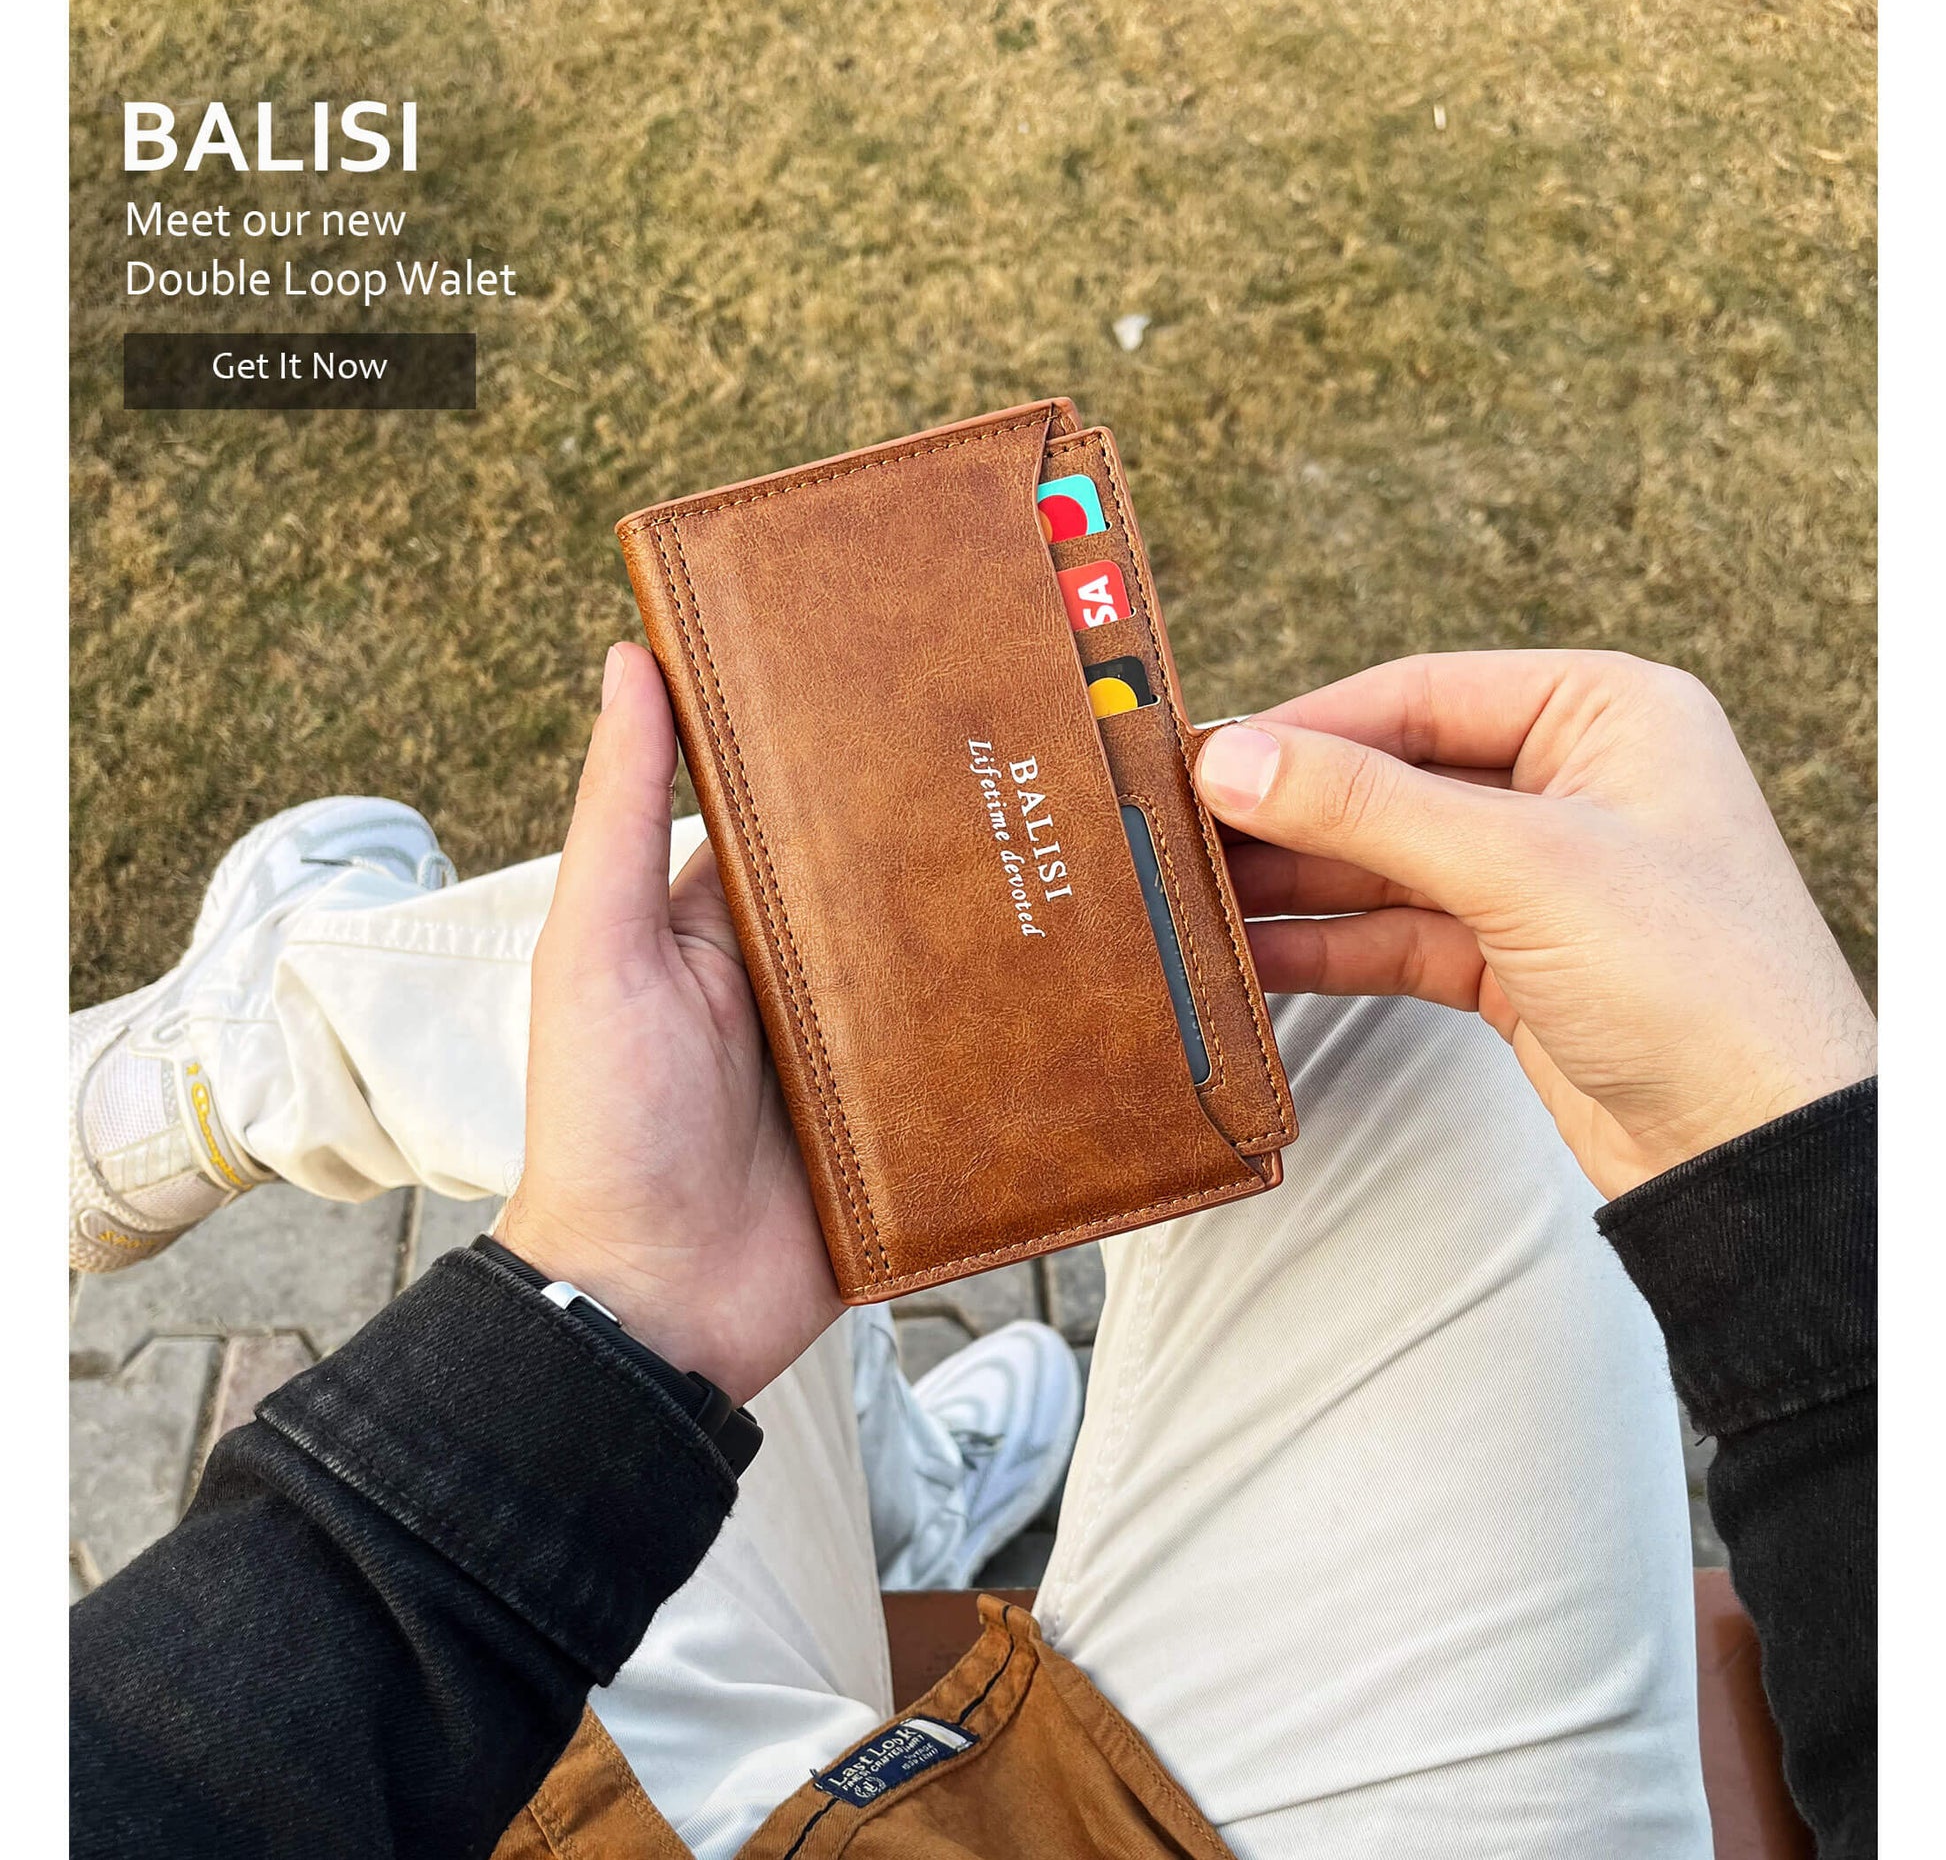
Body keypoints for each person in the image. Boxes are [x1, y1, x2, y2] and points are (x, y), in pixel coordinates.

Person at [69, 646, 1875, 1860]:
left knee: (820, 1001)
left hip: (491, 1797)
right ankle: (292, 1046)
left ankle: (255, 1058)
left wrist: (612, 1311)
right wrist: (1803, 1180)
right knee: (1384, 1017)